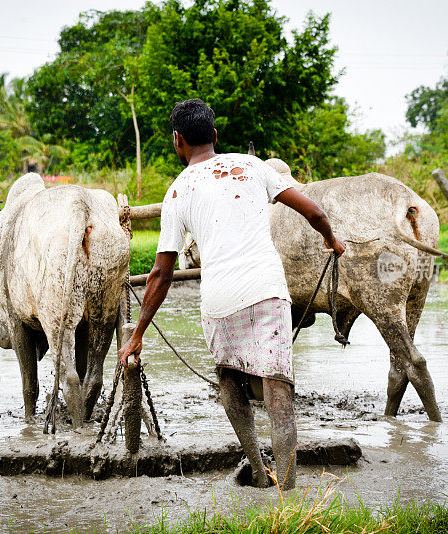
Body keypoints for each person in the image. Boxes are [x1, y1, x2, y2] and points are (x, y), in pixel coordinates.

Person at [118, 98, 345, 490]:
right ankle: (286, 493)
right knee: (279, 394)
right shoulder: (251, 167)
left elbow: (160, 274)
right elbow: (314, 213)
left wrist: (137, 334)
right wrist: (332, 241)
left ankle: (257, 468)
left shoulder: (176, 193)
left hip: (219, 301)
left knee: (228, 380)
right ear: (215, 135)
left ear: (178, 141)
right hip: (266, 291)